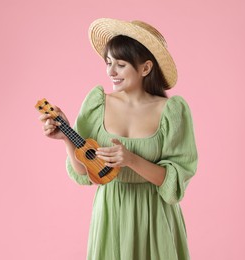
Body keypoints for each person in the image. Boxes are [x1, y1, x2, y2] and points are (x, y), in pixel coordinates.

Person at [39, 18, 198, 260]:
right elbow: (84, 171)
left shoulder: (171, 111)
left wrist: (132, 160)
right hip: (110, 212)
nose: (111, 72)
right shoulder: (97, 104)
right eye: (108, 63)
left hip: (155, 216)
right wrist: (66, 139)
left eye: (120, 65)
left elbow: (175, 184)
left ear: (145, 68)